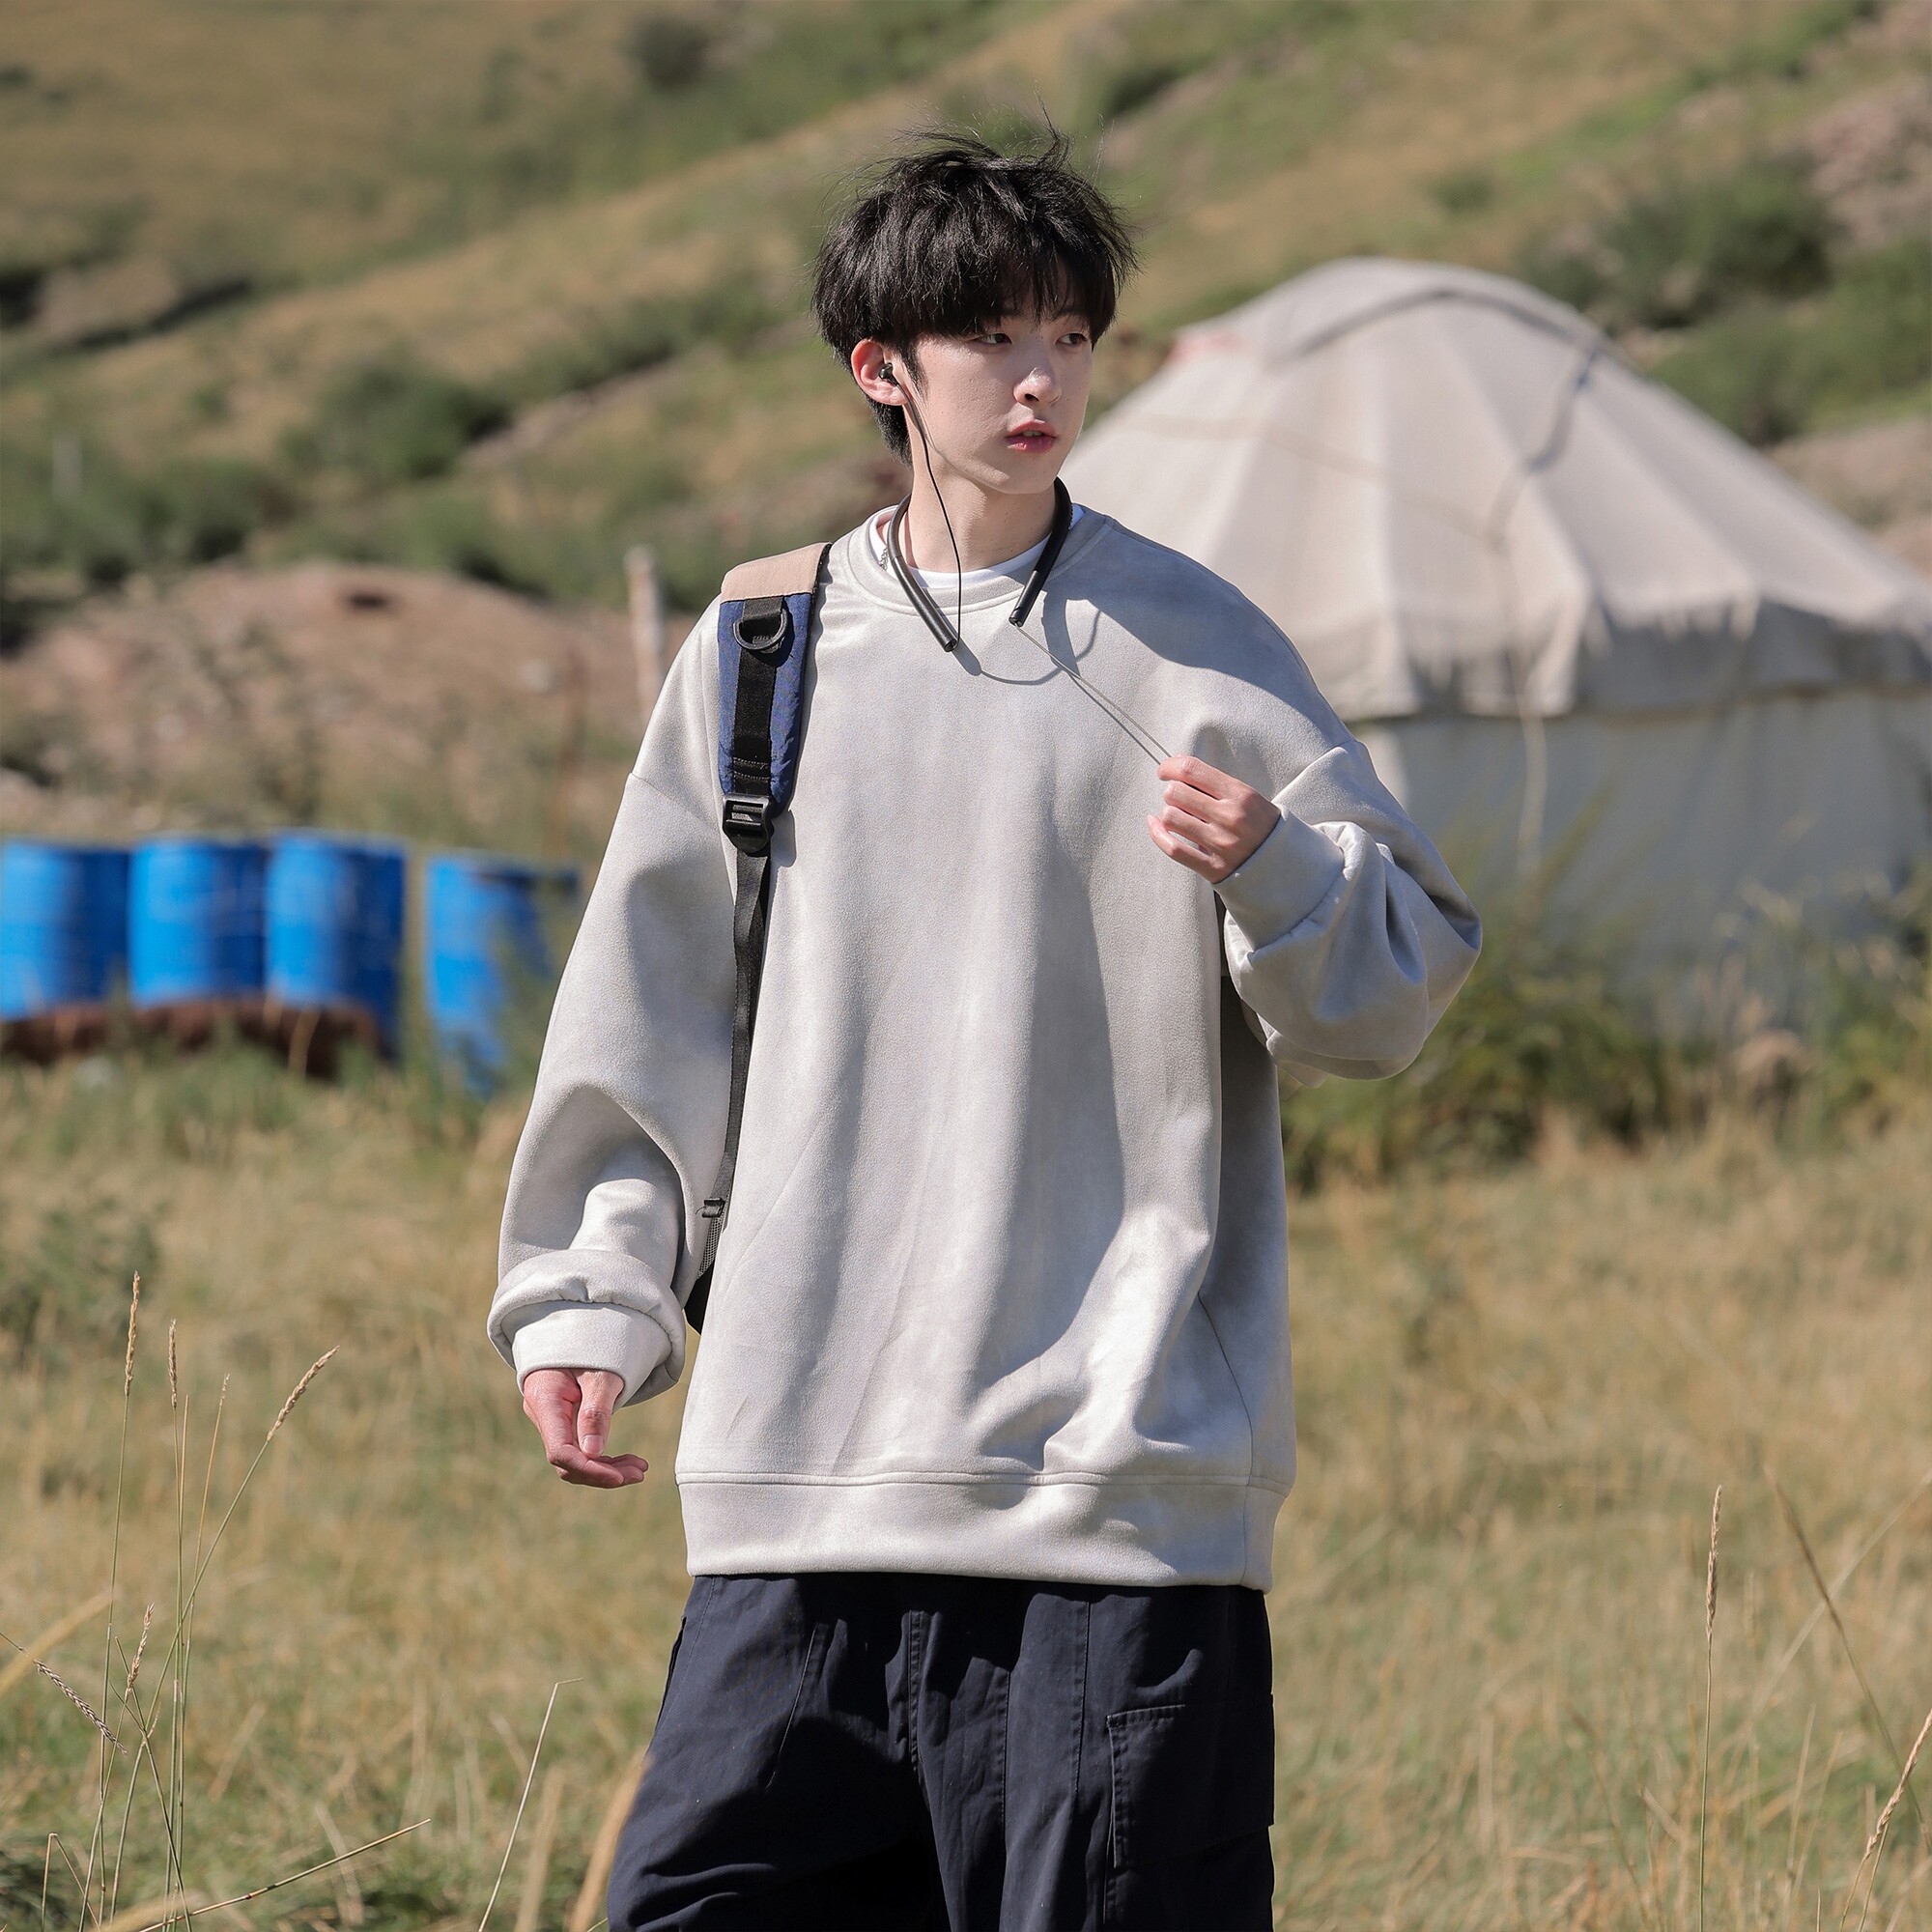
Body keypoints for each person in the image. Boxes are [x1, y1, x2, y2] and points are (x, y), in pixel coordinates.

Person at [489, 132, 1480, 1931]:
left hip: (1113, 1506)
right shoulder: (763, 649)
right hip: (801, 1487)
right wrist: (589, 1299)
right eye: (994, 339)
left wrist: (1280, 872)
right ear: (884, 369)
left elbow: (1394, 997)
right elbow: (652, 1012)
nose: (1041, 381)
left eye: (1071, 338)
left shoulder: (1197, 646)